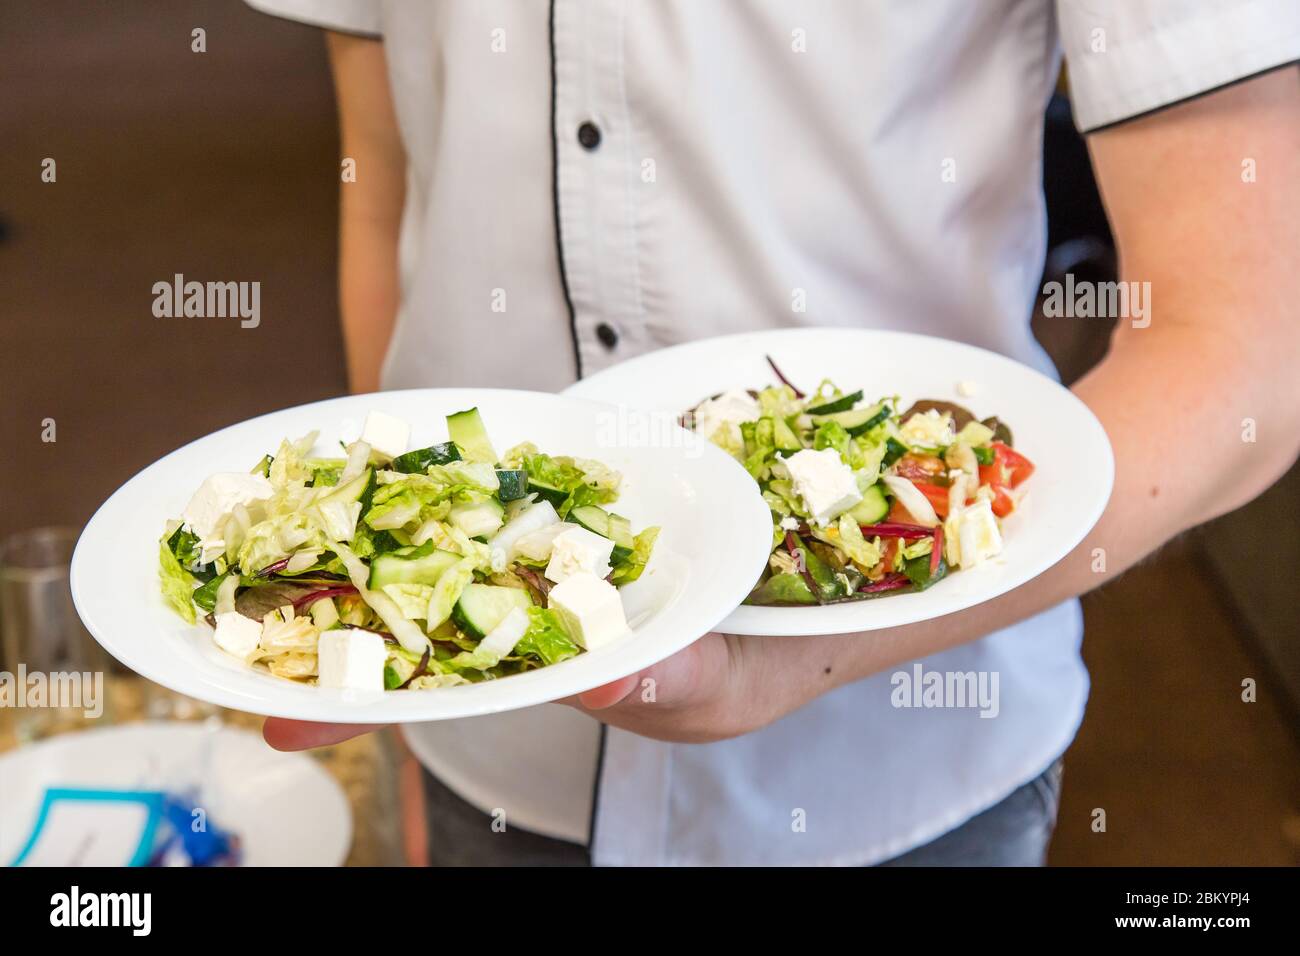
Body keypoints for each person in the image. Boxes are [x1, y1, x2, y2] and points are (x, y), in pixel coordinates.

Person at [246, 0, 1300, 866]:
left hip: (899, 769)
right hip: (497, 749)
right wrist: (403, 669)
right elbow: (382, 195)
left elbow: (1246, 352)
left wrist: (812, 649)